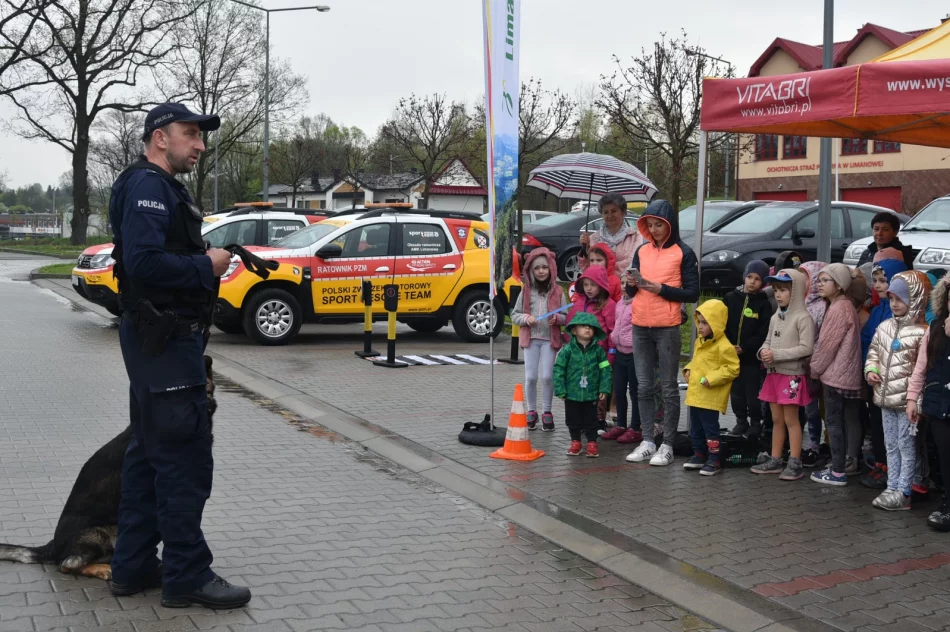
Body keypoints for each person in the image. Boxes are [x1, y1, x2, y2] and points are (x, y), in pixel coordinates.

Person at [108, 104, 251, 609]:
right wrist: (204, 265)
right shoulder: (149, 186)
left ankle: (133, 565)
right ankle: (188, 575)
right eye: (190, 134)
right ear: (159, 138)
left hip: (155, 340)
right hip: (166, 342)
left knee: (148, 456)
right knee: (184, 461)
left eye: (200, 136)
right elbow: (144, 264)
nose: (200, 145)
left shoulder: (155, 186)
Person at [624, 200, 700, 467]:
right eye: (650, 225)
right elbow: (631, 292)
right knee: (643, 386)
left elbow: (693, 293)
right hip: (639, 324)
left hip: (667, 327)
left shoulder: (684, 252)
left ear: (670, 225)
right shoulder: (642, 251)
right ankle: (647, 440)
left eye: (659, 225)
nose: (654, 230)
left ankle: (667, 444)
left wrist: (662, 289)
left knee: (668, 388)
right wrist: (631, 284)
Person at [865, 271, 931, 510]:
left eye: (900, 299)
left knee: (906, 446)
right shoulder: (883, 327)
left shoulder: (922, 332)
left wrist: (918, 402)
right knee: (890, 444)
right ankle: (891, 486)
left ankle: (904, 491)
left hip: (907, 404)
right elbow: (873, 352)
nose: (894, 304)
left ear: (915, 300)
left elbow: (923, 370)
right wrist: (871, 370)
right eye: (891, 299)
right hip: (884, 398)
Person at [750, 268, 814, 480]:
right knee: (776, 419)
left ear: (795, 292)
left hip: (791, 376)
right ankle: (776, 458)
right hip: (773, 374)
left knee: (791, 420)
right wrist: (763, 352)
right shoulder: (775, 316)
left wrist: (776, 354)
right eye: (776, 290)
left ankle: (795, 461)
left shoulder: (803, 317)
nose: (778, 294)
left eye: (784, 290)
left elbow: (806, 348)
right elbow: (767, 341)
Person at [809, 264, 863, 487]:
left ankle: (838, 471)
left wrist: (814, 369)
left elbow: (827, 346)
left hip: (836, 376)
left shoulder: (839, 308)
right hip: (845, 374)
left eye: (825, 280)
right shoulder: (845, 306)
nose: (819, 284)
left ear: (839, 285)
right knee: (843, 421)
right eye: (819, 280)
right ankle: (841, 465)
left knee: (834, 422)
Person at [860, 259, 908, 489]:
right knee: (877, 424)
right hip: (875, 378)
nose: (878, 285)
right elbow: (870, 342)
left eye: (883, 280)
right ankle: (881, 464)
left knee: (894, 430)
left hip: (894, 383)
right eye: (876, 281)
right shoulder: (879, 309)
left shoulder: (898, 313)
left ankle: (892, 470)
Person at [907, 274, 950, 530]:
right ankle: (947, 503)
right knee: (944, 457)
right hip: (939, 404)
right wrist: (913, 398)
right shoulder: (934, 329)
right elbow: (921, 368)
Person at [510, 247, 568, 433]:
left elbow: (566, 316)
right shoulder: (526, 291)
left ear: (551, 268)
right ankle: (532, 411)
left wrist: (557, 319)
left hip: (549, 340)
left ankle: (547, 412)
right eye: (537, 268)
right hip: (531, 339)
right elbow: (514, 315)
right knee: (531, 377)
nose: (541, 271)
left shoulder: (558, 292)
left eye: (545, 267)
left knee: (547, 376)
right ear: (530, 271)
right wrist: (526, 319)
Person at [682, 300, 740, 476]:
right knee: (696, 428)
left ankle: (714, 460)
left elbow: (732, 368)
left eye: (705, 322)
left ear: (716, 323)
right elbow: (698, 360)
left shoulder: (724, 346)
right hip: (696, 394)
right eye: (699, 322)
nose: (700, 326)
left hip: (710, 396)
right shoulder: (700, 342)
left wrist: (711, 378)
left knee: (710, 429)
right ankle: (699, 454)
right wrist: (689, 369)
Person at [723, 260, 773, 439]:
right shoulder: (730, 298)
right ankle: (740, 421)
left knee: (753, 394)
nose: (752, 282)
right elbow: (722, 324)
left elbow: (763, 332)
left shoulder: (763, 304)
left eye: (757, 279)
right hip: (731, 356)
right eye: (749, 277)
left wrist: (745, 347)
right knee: (736, 393)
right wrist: (729, 345)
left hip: (751, 358)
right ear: (744, 276)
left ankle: (755, 423)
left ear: (763, 283)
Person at [554, 312, 613, 458]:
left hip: (591, 393)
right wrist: (560, 389)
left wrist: (604, 388)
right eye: (583, 326)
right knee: (572, 419)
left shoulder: (599, 352)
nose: (587, 329)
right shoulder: (567, 351)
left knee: (591, 419)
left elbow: (606, 370)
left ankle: (592, 442)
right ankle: (575, 441)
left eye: (591, 327)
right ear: (574, 330)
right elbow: (559, 369)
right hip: (571, 394)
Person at [567, 265, 617, 429]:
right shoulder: (579, 302)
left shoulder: (608, 305)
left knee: (600, 387)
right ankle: (584, 420)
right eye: (586, 284)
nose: (589, 289)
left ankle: (600, 420)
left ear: (601, 285)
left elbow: (612, 331)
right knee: (583, 386)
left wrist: (610, 354)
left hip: (600, 355)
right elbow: (570, 324)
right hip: (580, 355)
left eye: (593, 285)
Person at [603, 277, 642, 444]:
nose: (625, 287)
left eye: (629, 283)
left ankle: (635, 427)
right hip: (619, 351)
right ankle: (621, 424)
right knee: (618, 390)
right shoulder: (619, 303)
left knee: (634, 391)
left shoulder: (638, 303)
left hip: (633, 353)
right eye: (623, 283)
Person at [578, 192, 644, 277]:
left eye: (614, 211)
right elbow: (586, 267)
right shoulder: (593, 238)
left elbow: (633, 263)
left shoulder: (635, 237)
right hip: (600, 286)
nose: (610, 215)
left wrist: (605, 267)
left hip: (624, 285)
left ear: (623, 212)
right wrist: (585, 248)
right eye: (606, 212)